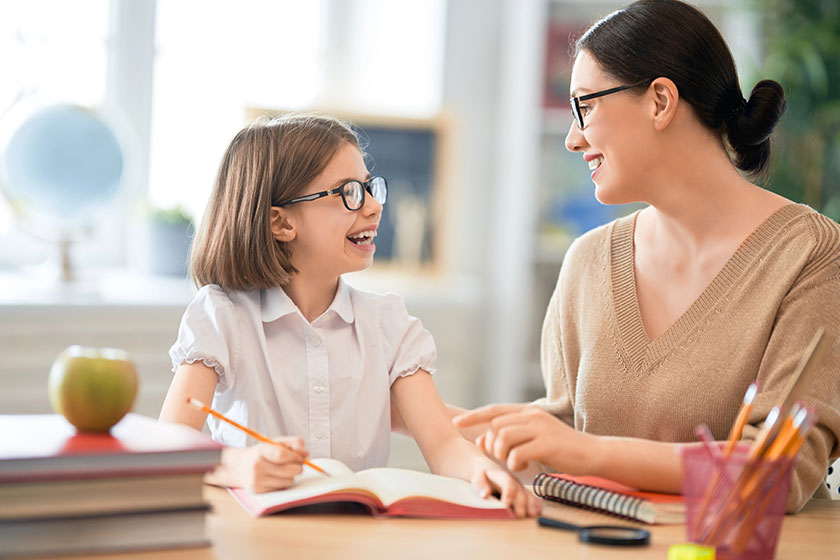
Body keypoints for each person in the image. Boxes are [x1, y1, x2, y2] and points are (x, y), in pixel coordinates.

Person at [451, 0, 840, 513]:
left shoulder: (812, 256)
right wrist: (438, 421)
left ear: (660, 101)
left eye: (584, 107)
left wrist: (590, 451)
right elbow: (564, 439)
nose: (573, 138)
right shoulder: (587, 261)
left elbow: (777, 473)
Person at [159, 113, 539, 518]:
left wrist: (482, 471)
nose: (374, 207)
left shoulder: (388, 323)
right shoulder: (222, 315)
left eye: (370, 188)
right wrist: (239, 466)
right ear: (281, 221)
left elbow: (443, 444)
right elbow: (169, 447)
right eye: (349, 193)